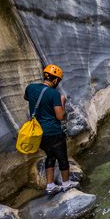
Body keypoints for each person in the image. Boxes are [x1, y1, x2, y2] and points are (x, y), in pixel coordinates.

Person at [24, 64, 78, 194]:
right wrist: (62, 102)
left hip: (38, 132)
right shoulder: (54, 94)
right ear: (55, 80)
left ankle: (50, 185)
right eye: (58, 81)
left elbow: (26, 98)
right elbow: (60, 116)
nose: (58, 83)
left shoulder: (31, 88)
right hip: (53, 132)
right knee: (62, 158)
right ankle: (66, 184)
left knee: (50, 156)